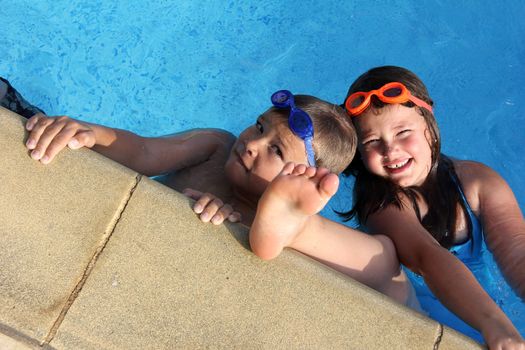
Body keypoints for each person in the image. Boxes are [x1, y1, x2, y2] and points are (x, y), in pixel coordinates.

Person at [0, 77, 419, 308]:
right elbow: (145, 151)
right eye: (258, 126)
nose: (251, 143)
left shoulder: (272, 217)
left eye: (275, 149)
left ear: (305, 180)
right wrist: (92, 133)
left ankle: (296, 230)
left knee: (389, 272)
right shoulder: (217, 145)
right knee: (36, 123)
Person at [338, 66, 524, 348]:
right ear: (359, 153)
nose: (390, 150)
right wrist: (494, 324)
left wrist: (499, 322)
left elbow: (517, 251)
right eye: (373, 141)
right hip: (421, 315)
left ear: (429, 125)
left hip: (484, 305)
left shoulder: (477, 181)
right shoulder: (378, 202)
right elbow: (427, 258)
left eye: (403, 132)